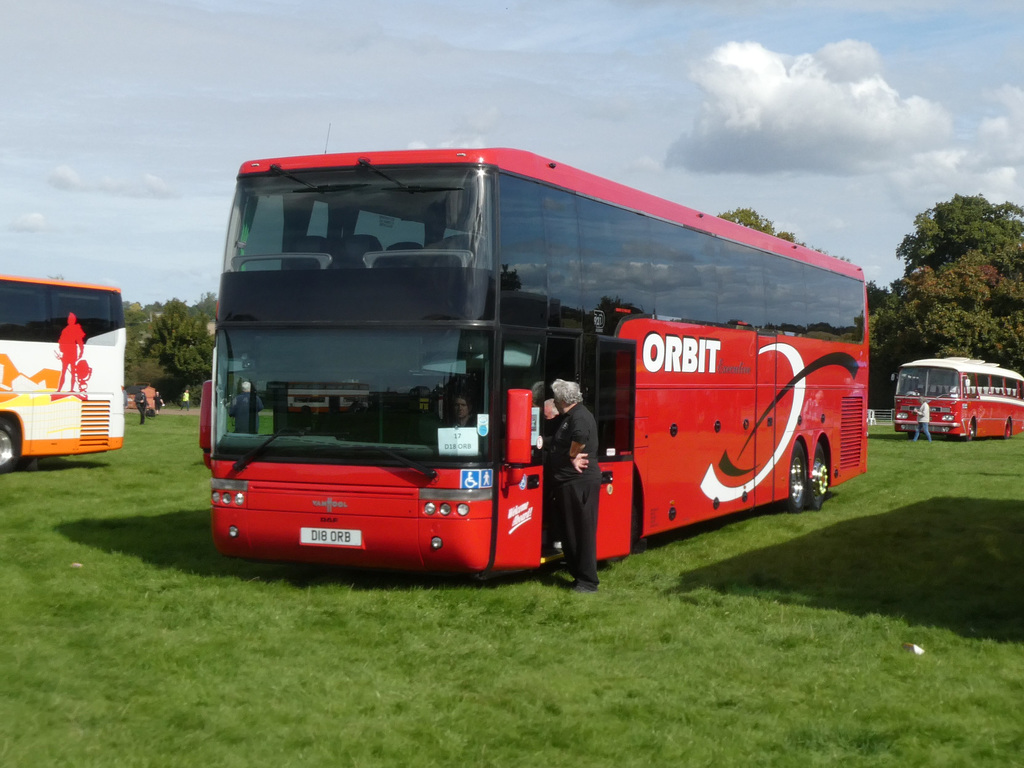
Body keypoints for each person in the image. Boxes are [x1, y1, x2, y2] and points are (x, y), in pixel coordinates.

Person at [546, 378, 601, 593]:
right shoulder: (569, 416)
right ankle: (579, 577)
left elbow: (580, 438)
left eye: (556, 398)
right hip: (567, 483)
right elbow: (560, 441)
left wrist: (573, 456)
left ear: (561, 399)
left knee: (581, 532)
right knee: (570, 533)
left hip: (578, 483)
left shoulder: (580, 417)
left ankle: (588, 582)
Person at [57, 312, 87, 392]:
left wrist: (81, 351)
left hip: (72, 352)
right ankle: (60, 389)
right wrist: (61, 352)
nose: (69, 320)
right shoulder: (65, 330)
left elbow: (79, 341)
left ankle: (71, 389)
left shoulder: (75, 329)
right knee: (64, 371)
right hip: (67, 352)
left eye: (71, 319)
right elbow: (61, 342)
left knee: (72, 372)